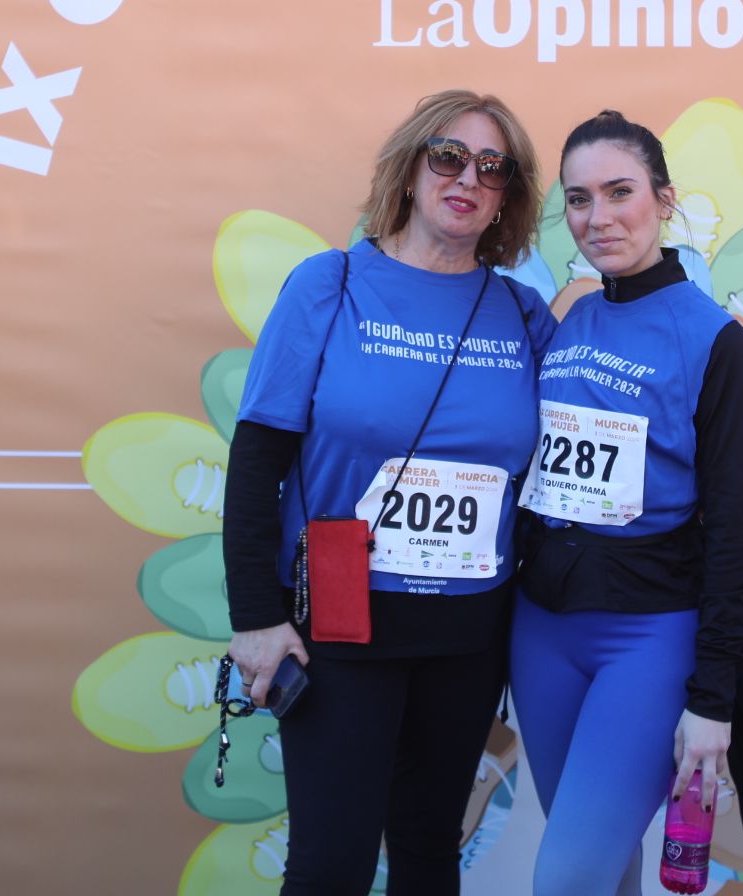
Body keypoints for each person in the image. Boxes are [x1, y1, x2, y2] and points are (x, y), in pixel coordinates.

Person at [222, 90, 556, 896]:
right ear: (409, 169)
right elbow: (256, 461)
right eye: (447, 156)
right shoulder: (329, 286)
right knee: (331, 866)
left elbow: (587, 441)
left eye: (492, 168)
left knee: (430, 852)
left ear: (508, 197)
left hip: (468, 639)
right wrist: (256, 618)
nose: (466, 178)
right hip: (339, 628)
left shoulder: (522, 314)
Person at [511, 110, 743, 896]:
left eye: (620, 192)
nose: (598, 218)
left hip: (648, 642)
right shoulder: (574, 318)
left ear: (663, 198)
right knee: (601, 869)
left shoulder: (715, 339)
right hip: (543, 633)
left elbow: (732, 535)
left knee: (564, 881)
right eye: (579, 200)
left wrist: (712, 700)